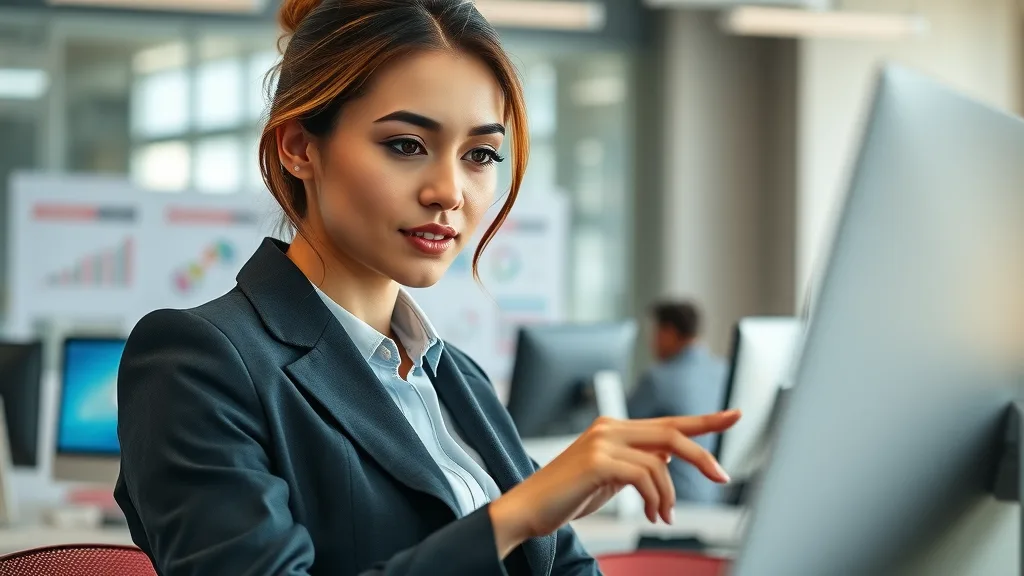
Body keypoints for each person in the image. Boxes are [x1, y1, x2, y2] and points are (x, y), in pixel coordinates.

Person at [113, 2, 740, 574]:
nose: (450, 191)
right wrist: (514, 516)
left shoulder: (455, 377)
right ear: (300, 146)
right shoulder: (199, 361)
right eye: (407, 145)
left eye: (481, 155)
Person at [628, 301, 730, 504]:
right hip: (718, 498)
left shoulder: (658, 379)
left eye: (655, 334)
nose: (652, 343)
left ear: (669, 332)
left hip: (674, 501)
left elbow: (617, 426)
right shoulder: (724, 371)